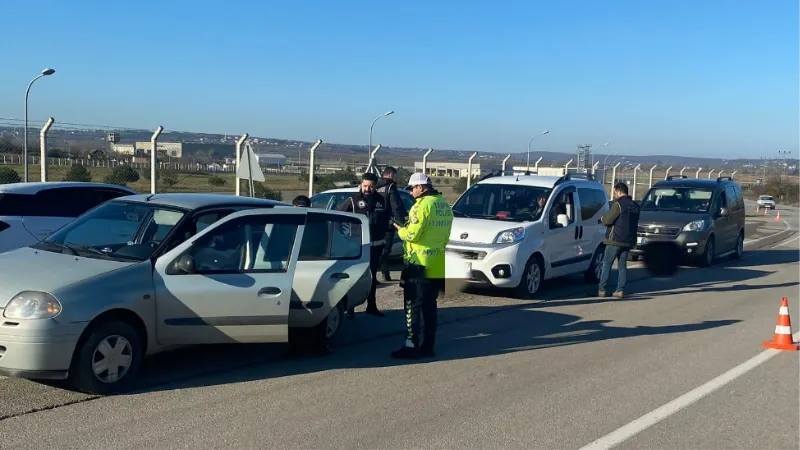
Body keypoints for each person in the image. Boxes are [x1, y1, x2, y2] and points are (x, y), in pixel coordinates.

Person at [391, 172, 453, 359]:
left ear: (421, 187)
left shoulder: (421, 206)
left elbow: (412, 235)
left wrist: (400, 229)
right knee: (430, 306)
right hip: (438, 261)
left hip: (418, 263)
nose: (410, 192)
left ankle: (411, 345)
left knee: (412, 305)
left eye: (412, 188)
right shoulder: (444, 205)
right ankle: (428, 345)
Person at [338, 172, 389, 317]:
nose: (367, 189)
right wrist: (344, 237)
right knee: (353, 277)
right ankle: (350, 308)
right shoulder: (352, 200)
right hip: (356, 247)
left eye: (370, 186)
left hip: (375, 246)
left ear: (375, 187)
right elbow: (338, 219)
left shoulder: (381, 200)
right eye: (365, 186)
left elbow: (386, 220)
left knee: (371, 277)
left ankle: (371, 306)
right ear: (361, 184)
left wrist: (384, 238)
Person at [597, 182, 640, 299]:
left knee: (606, 264)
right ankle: (620, 290)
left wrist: (602, 219)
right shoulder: (635, 206)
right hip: (628, 241)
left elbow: (608, 221)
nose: (614, 194)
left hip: (614, 240)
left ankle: (602, 289)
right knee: (622, 266)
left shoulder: (618, 205)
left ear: (619, 191)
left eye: (615, 192)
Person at [376, 166, 408, 282]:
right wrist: (403, 222)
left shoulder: (374, 186)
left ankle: (374, 275)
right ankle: (385, 274)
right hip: (388, 223)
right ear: (390, 175)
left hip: (375, 222)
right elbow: (396, 206)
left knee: (376, 249)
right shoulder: (390, 187)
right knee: (386, 249)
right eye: (394, 175)